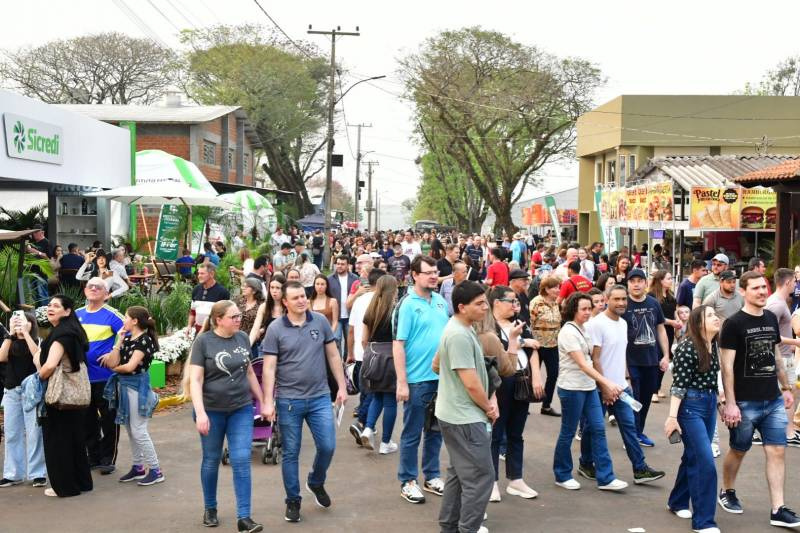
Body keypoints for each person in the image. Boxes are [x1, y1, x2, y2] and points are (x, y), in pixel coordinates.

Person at [717, 271, 800, 527]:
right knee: (739, 450)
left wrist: (785, 387)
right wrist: (730, 402)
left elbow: (775, 355)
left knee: (777, 450)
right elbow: (727, 366)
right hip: (744, 402)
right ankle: (727, 491)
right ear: (743, 292)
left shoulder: (770, 317)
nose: (762, 292)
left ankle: (778, 509)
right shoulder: (733, 324)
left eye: (763, 287)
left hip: (772, 399)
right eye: (756, 288)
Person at [260, 281, 348, 523]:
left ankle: (316, 481)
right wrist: (268, 402)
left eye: (303, 296)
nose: (302, 300)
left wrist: (341, 386)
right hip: (289, 400)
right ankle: (293, 500)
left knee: (328, 446)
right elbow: (268, 368)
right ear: (285, 302)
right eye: (296, 298)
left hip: (320, 397)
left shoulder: (319, 322)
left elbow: (332, 354)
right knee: (291, 453)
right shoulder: (276, 329)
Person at [185, 300, 264, 532]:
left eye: (239, 316)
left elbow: (249, 372)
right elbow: (196, 380)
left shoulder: (241, 338)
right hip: (211, 411)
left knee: (241, 459)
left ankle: (244, 517)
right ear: (218, 319)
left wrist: (263, 402)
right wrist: (200, 413)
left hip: (240, 409)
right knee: (211, 459)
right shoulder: (204, 341)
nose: (239, 319)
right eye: (234, 317)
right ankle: (210, 508)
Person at [581, 285, 665, 485]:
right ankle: (585, 463)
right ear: (606, 300)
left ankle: (640, 469)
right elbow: (596, 359)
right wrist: (604, 387)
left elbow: (621, 355)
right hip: (599, 387)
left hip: (620, 387)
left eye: (623, 300)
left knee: (629, 426)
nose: (621, 303)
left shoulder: (623, 324)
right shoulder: (597, 324)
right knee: (592, 427)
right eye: (616, 299)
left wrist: (626, 380)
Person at [435, 281, 498, 533]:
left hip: (454, 414)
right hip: (464, 418)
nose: (486, 307)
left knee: (459, 474)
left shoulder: (460, 327)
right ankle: (466, 528)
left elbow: (436, 364)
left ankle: (449, 527)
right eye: (479, 303)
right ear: (462, 307)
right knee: (481, 478)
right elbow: (471, 384)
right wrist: (489, 407)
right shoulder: (459, 334)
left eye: (485, 302)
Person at [553, 292, 628, 492]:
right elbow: (583, 364)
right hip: (571, 388)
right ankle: (562, 474)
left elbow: (593, 359)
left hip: (588, 387)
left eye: (590, 308)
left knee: (598, 428)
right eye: (584, 309)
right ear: (573, 310)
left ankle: (606, 478)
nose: (589, 312)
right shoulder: (568, 332)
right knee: (568, 432)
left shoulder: (584, 328)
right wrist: (607, 383)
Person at [394, 255, 450, 504]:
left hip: (441, 378)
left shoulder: (439, 301)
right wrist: (402, 382)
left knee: (435, 431)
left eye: (436, 272)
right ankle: (407, 480)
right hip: (417, 381)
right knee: (412, 433)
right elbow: (398, 344)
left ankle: (432, 475)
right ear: (414, 275)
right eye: (428, 272)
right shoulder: (407, 304)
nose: (433, 276)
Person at [664, 305, 723, 532]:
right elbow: (678, 386)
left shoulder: (713, 343)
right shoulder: (687, 347)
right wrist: (672, 417)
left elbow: (711, 381)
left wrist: (720, 404)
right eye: (710, 316)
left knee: (693, 456)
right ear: (699, 324)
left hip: (708, 403)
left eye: (715, 315)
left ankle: (677, 500)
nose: (716, 318)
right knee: (705, 462)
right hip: (690, 408)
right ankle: (704, 521)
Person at [487, 286, 542, 502]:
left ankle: (516, 478)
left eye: (516, 301)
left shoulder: (518, 322)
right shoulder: (488, 325)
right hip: (500, 381)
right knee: (495, 432)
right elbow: (496, 349)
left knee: (516, 432)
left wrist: (536, 376)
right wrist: (522, 341)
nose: (515, 305)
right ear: (496, 302)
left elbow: (534, 348)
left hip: (522, 379)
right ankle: (491, 481)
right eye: (510, 301)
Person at [35, 294, 93, 497]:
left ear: (67, 311)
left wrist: (37, 379)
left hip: (60, 396)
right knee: (75, 439)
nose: (50, 308)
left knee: (59, 442)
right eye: (49, 305)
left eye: (56, 306)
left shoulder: (61, 335)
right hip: (75, 396)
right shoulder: (73, 331)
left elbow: (50, 365)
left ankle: (65, 486)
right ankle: (82, 482)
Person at [98, 306, 162, 486]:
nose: (123, 320)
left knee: (139, 430)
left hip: (137, 387)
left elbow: (128, 367)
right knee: (130, 429)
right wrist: (119, 340)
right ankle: (138, 467)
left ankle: (156, 469)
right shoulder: (127, 338)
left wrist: (112, 368)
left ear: (135, 321)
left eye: (126, 317)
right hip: (124, 387)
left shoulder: (144, 340)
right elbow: (114, 360)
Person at [76, 278, 125, 474]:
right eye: (90, 286)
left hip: (105, 378)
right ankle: (93, 457)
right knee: (87, 420)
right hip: (81, 378)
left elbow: (128, 333)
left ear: (106, 294)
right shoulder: (77, 314)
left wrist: (115, 351)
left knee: (108, 418)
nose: (94, 288)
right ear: (85, 290)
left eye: (99, 287)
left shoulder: (112, 315)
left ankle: (107, 458)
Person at [623, 269, 670, 447]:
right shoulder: (623, 304)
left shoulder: (653, 303)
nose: (636, 284)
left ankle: (638, 431)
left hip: (651, 359)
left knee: (646, 398)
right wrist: (623, 365)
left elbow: (660, 329)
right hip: (631, 360)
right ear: (628, 284)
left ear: (645, 283)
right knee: (633, 398)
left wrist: (665, 355)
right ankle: (632, 435)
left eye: (639, 281)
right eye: (632, 281)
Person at [0, 311, 46, 488]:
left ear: (31, 322)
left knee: (34, 433)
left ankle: (38, 473)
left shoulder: (36, 340)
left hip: (31, 391)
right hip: (11, 391)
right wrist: (10, 334)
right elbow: (1, 357)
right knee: (12, 433)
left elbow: (38, 360)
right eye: (15, 319)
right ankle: (13, 474)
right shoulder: (10, 341)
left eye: (22, 320)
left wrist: (26, 333)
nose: (18, 322)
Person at [359, 275, 400, 454]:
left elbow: (364, 340)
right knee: (390, 400)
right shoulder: (396, 311)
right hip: (392, 355)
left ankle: (368, 428)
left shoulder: (370, 310)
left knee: (376, 396)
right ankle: (385, 442)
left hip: (372, 354)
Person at [347, 268, 386, 445]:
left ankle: (368, 424)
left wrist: (349, 353)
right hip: (376, 353)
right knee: (375, 391)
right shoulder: (382, 302)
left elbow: (351, 330)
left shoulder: (359, 301)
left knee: (366, 389)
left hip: (360, 352)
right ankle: (363, 422)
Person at [529, 276, 562, 416]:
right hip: (537, 345)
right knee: (531, 376)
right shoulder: (536, 302)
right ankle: (525, 404)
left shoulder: (555, 302)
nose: (558, 289)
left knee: (553, 374)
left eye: (558, 286)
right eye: (555, 287)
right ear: (547, 289)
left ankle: (546, 405)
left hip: (553, 344)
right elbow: (529, 322)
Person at [649, 270, 681, 402]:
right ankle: (653, 390)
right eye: (668, 278)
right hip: (656, 330)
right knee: (656, 359)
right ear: (661, 280)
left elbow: (674, 311)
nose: (671, 280)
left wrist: (677, 321)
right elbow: (656, 317)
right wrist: (672, 322)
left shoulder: (671, 295)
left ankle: (657, 387)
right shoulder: (652, 296)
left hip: (669, 331)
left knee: (665, 358)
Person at [328, 255, 358, 360]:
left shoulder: (355, 278)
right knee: (336, 340)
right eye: (338, 264)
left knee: (350, 342)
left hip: (351, 316)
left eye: (342, 264)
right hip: (336, 316)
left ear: (348, 265)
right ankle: (338, 363)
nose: (340, 266)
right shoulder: (330, 279)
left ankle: (347, 362)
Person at [187, 264, 230, 334]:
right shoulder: (196, 290)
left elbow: (226, 317)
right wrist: (189, 325)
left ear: (212, 274)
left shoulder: (223, 292)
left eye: (202, 273)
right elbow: (193, 312)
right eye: (198, 273)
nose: (199, 276)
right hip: (198, 333)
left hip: (215, 334)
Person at [238, 278, 266, 359]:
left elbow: (268, 323)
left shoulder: (262, 305)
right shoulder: (239, 301)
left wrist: (261, 331)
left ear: (254, 291)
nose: (242, 288)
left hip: (253, 341)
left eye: (246, 286)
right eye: (242, 285)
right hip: (237, 339)